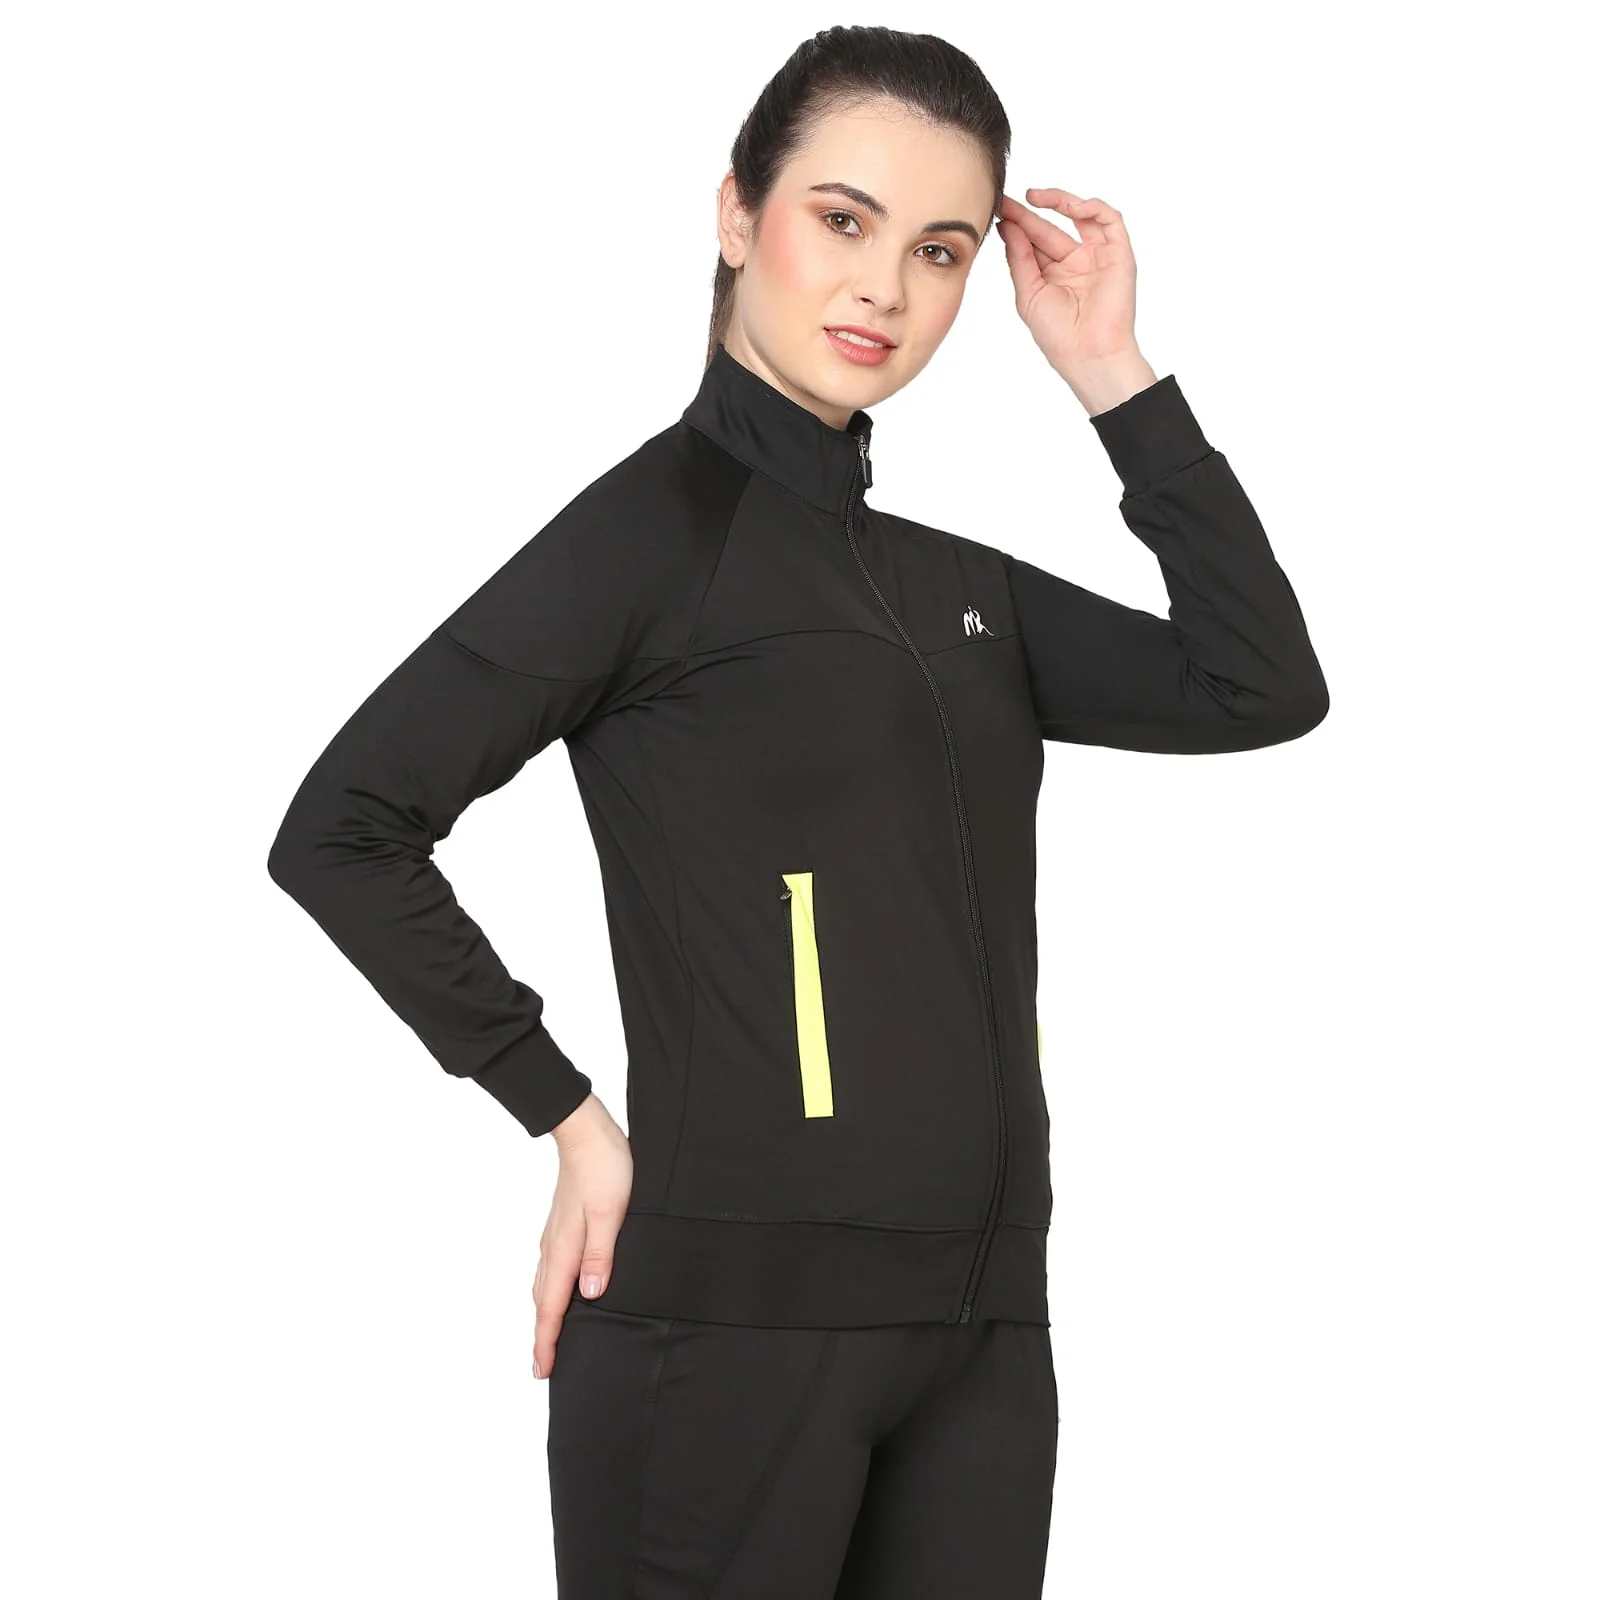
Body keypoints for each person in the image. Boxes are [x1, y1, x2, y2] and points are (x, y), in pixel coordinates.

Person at [266, 23, 1330, 1599]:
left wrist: (1115, 376)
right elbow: (345, 826)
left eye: (939, 250)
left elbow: (1260, 686)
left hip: (981, 1342)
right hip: (726, 1338)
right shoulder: (649, 540)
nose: (883, 290)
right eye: (842, 219)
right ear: (735, 213)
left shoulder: (956, 591)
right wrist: (564, 1113)